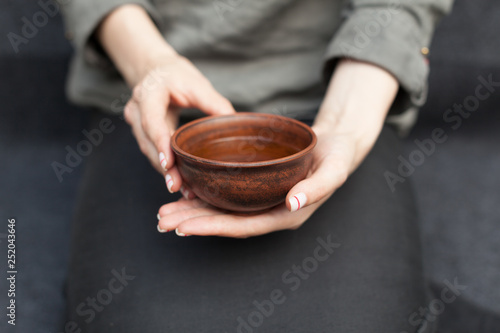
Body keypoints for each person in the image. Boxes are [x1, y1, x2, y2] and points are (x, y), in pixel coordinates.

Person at [60, 0, 453, 332]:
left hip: (342, 92)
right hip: (149, 94)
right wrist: (148, 63)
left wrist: (345, 123)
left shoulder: (343, 115)